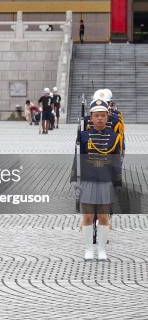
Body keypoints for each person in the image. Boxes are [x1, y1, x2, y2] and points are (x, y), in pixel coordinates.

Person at [71, 99, 123, 261]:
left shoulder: (114, 137)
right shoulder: (84, 136)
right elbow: (77, 159)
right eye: (96, 116)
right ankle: (88, 250)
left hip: (106, 182)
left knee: (103, 217)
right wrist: (74, 179)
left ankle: (101, 250)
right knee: (87, 217)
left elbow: (116, 162)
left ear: (107, 117)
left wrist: (118, 182)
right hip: (88, 180)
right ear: (91, 118)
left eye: (102, 115)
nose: (99, 118)